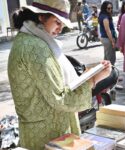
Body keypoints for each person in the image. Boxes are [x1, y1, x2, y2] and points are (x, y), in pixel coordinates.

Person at [8, 0, 111, 149]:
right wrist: (94, 79)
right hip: (47, 135)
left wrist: (88, 75)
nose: (60, 28)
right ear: (41, 17)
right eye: (57, 22)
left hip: (43, 130)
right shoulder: (35, 47)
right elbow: (60, 98)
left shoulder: (31, 40)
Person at [98, 1, 117, 65]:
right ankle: (110, 74)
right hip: (107, 39)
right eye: (108, 8)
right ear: (104, 8)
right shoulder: (105, 17)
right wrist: (112, 41)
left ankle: (106, 74)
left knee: (106, 58)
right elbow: (107, 30)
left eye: (111, 8)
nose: (110, 9)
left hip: (105, 38)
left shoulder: (102, 15)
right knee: (111, 59)